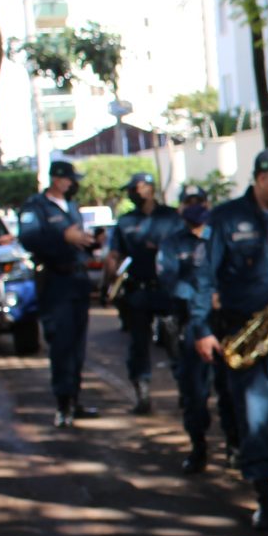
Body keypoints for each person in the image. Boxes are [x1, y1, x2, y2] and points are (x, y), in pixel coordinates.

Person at [189, 148, 268, 531]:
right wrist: (201, 328)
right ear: (263, 179)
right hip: (245, 335)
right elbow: (203, 278)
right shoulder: (225, 218)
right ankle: (264, 499)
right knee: (255, 421)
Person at [158, 186, 239, 473]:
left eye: (200, 201)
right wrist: (201, 298)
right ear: (181, 207)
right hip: (190, 325)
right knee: (194, 392)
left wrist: (222, 296)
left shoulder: (220, 237)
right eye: (189, 202)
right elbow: (169, 281)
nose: (196, 207)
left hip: (224, 323)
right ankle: (198, 447)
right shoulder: (172, 244)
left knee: (230, 390)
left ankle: (234, 446)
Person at [17, 157, 101, 427]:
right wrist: (62, 237)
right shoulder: (36, 207)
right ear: (57, 179)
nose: (73, 184)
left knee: (77, 346)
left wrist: (90, 243)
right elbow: (28, 238)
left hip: (77, 280)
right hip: (55, 282)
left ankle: (75, 399)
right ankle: (63, 404)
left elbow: (77, 241)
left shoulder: (72, 207)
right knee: (61, 344)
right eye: (70, 179)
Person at [106, 171, 180, 414]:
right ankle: (142, 394)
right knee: (138, 345)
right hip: (138, 290)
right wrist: (110, 279)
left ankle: (187, 391)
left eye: (137, 188)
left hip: (168, 290)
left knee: (175, 342)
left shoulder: (171, 217)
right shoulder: (126, 221)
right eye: (131, 189)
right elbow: (115, 254)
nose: (134, 193)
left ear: (150, 188)